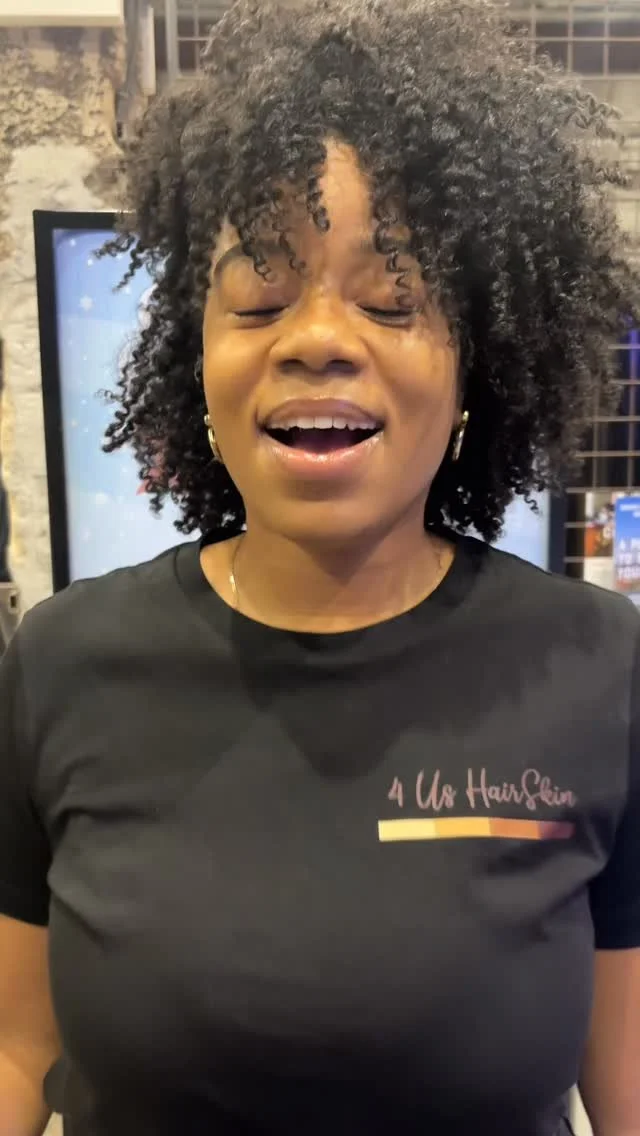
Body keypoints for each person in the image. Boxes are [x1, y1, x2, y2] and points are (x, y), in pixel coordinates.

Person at [1, 1, 640, 1133]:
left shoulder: (600, 669)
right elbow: (15, 1049)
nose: (316, 338)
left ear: (476, 363)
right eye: (259, 296)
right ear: (198, 354)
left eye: (392, 300)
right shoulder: (60, 663)